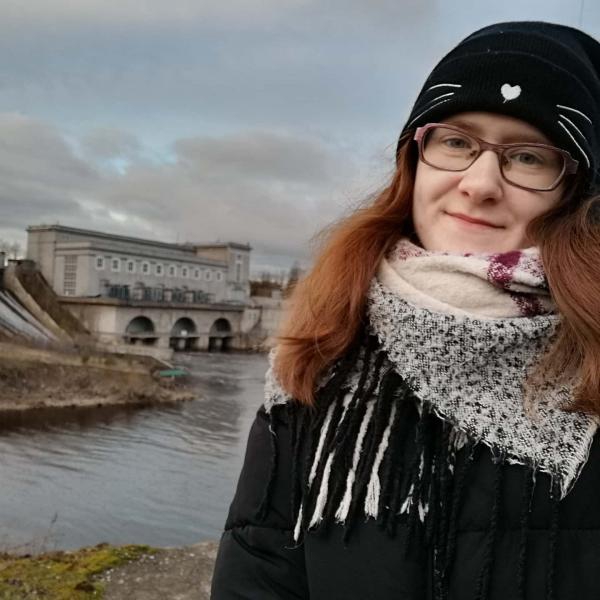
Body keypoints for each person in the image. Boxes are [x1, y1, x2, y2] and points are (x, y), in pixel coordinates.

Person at [211, 21, 600, 600]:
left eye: (528, 156)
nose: (479, 183)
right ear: (415, 160)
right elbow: (258, 569)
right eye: (456, 141)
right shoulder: (325, 346)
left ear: (577, 191)